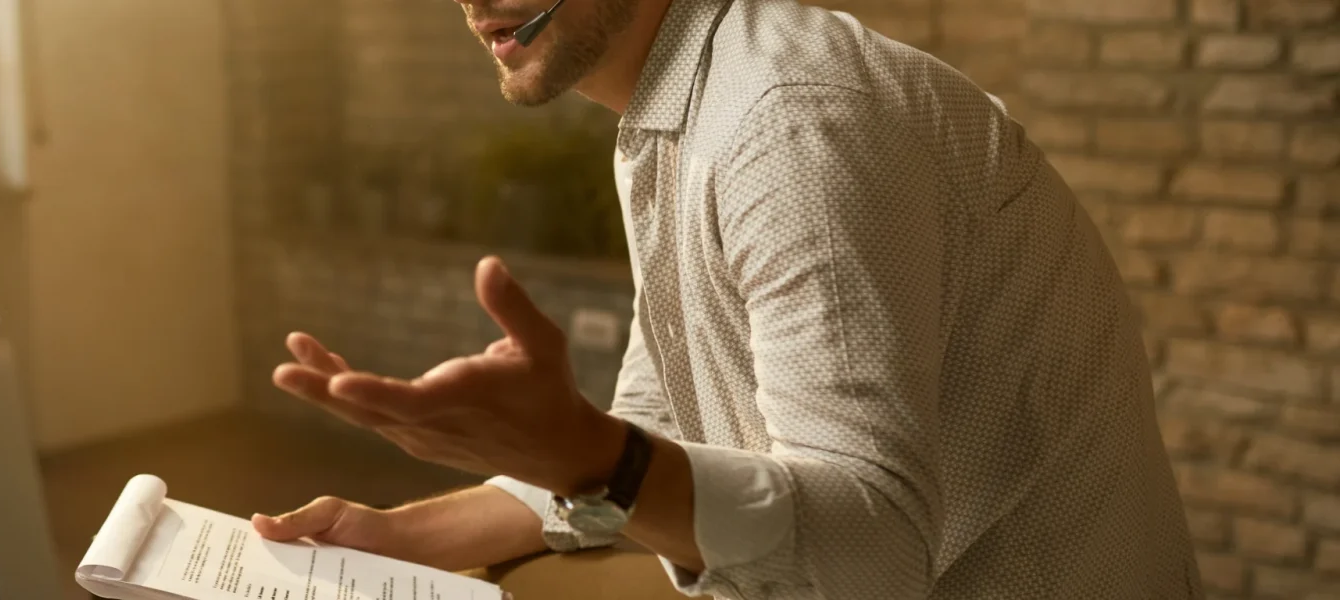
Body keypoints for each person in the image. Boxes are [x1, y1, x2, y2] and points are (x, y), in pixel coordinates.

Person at [253, 0, 1202, 597]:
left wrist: (590, 461)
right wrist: (402, 537)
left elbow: (874, 555)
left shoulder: (787, 122)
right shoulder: (673, 113)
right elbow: (657, 411)